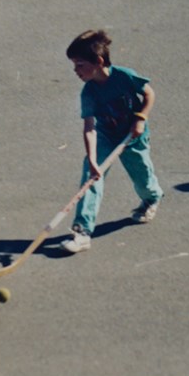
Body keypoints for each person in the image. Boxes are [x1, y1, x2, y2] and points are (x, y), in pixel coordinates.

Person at [60, 30, 163, 254]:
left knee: (142, 177)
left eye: (79, 65)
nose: (76, 71)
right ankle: (82, 231)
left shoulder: (124, 76)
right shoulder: (89, 92)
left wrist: (141, 118)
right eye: (74, 66)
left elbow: (149, 94)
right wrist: (93, 160)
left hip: (133, 137)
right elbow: (89, 128)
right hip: (106, 136)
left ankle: (151, 199)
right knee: (91, 177)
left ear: (98, 61)